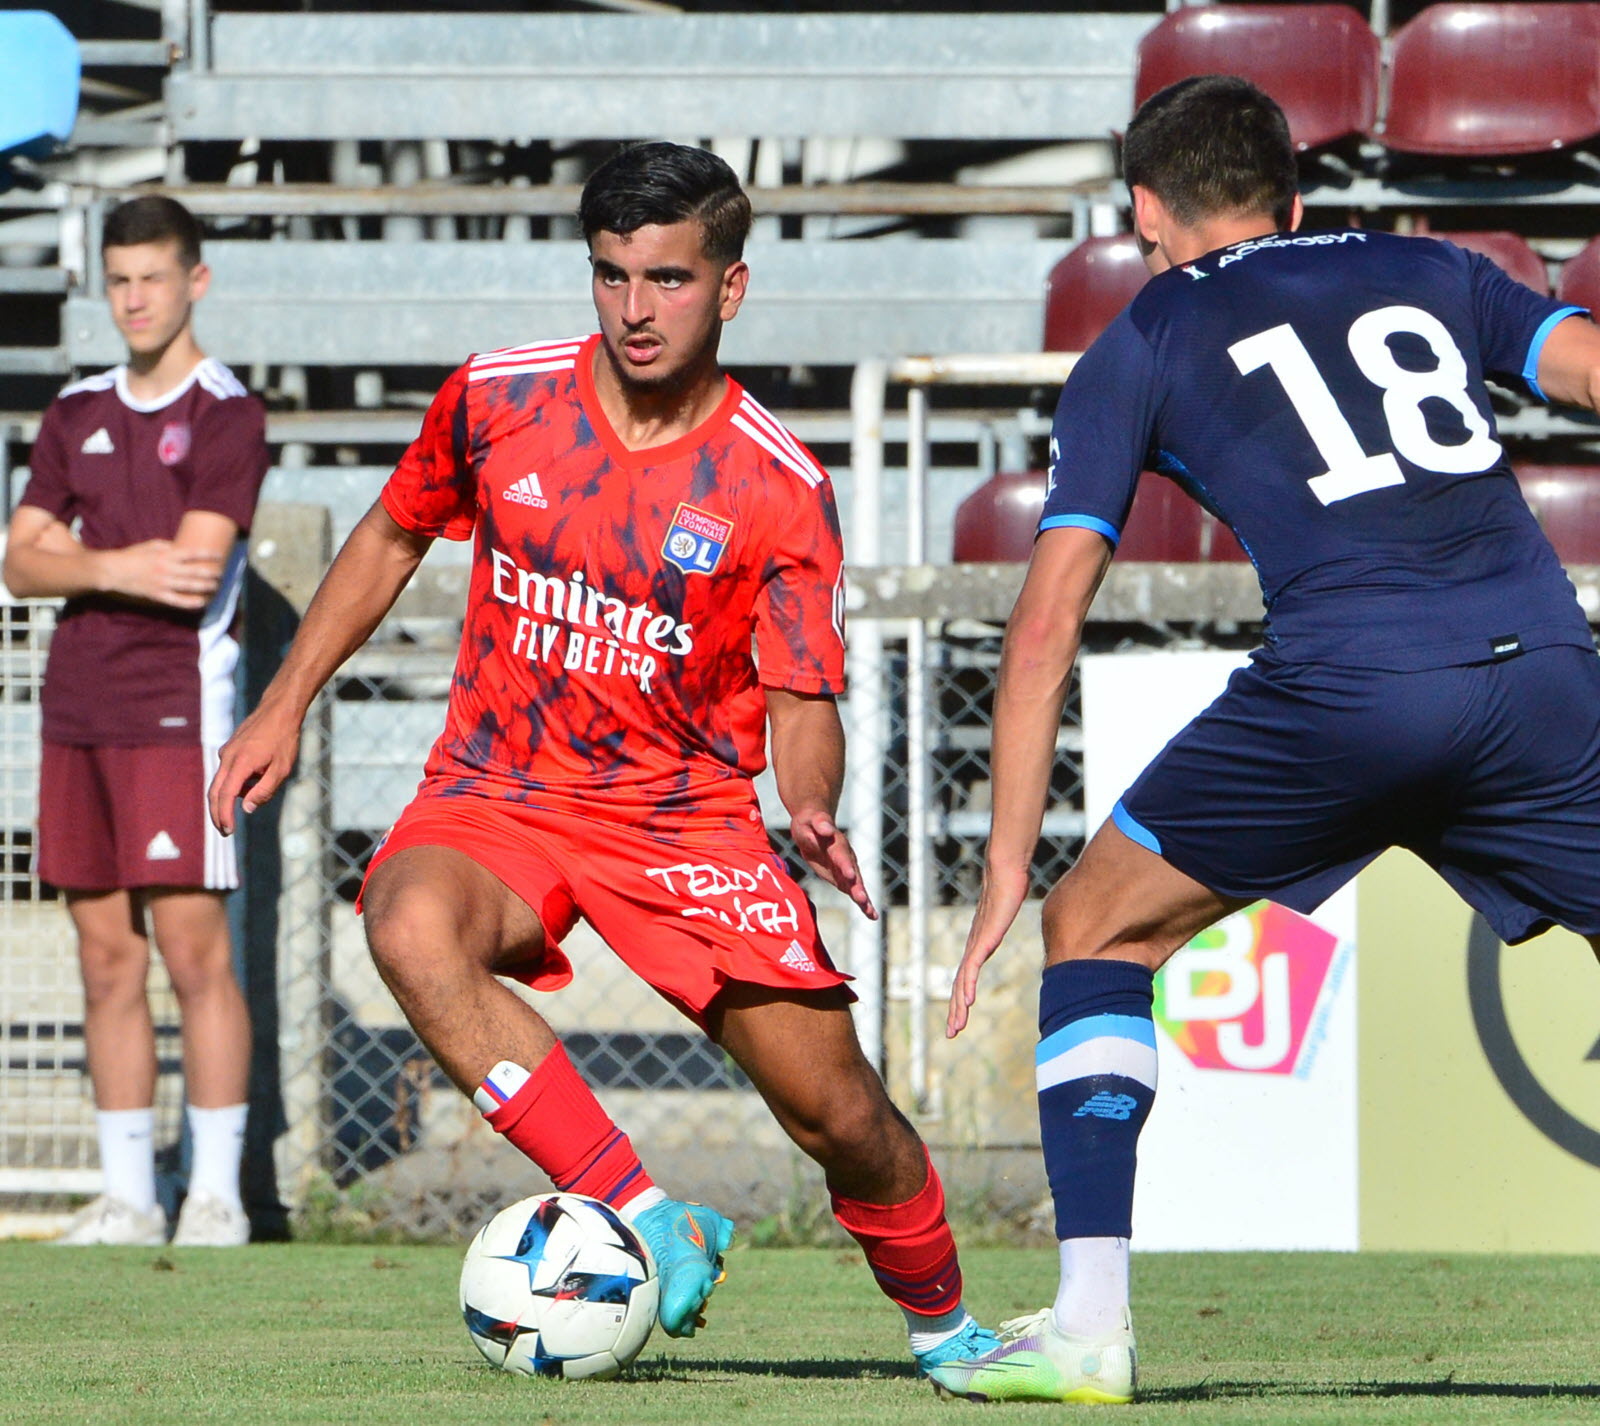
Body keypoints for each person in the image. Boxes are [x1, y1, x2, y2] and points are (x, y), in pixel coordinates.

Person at [208, 141, 997, 1372]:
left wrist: (809, 798)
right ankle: (641, 1212)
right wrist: (284, 700)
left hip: (683, 820)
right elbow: (388, 537)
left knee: (839, 1113)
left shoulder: (775, 484)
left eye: (669, 279)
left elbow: (803, 691)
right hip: (497, 792)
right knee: (411, 924)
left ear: (729, 288)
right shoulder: (496, 397)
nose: (636, 308)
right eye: (612, 275)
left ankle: (951, 1330)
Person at [928, 75, 1600, 1405]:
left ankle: (1087, 1325)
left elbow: (1045, 622)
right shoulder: (1431, 266)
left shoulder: (1149, 331)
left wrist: (1008, 857)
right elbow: (1587, 366)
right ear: (1295, 197)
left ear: (1143, 212)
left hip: (1347, 689)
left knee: (1097, 928)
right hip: (1544, 671)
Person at [4, 195, 267, 1247]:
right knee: (103, 957)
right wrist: (111, 562)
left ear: (195, 281)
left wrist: (75, 560)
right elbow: (19, 560)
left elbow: (191, 571)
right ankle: (129, 1195)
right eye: (119, 279)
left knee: (194, 953)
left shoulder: (226, 413)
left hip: (176, 711)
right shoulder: (74, 412)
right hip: (77, 709)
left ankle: (215, 1194)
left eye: (154, 277)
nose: (136, 298)